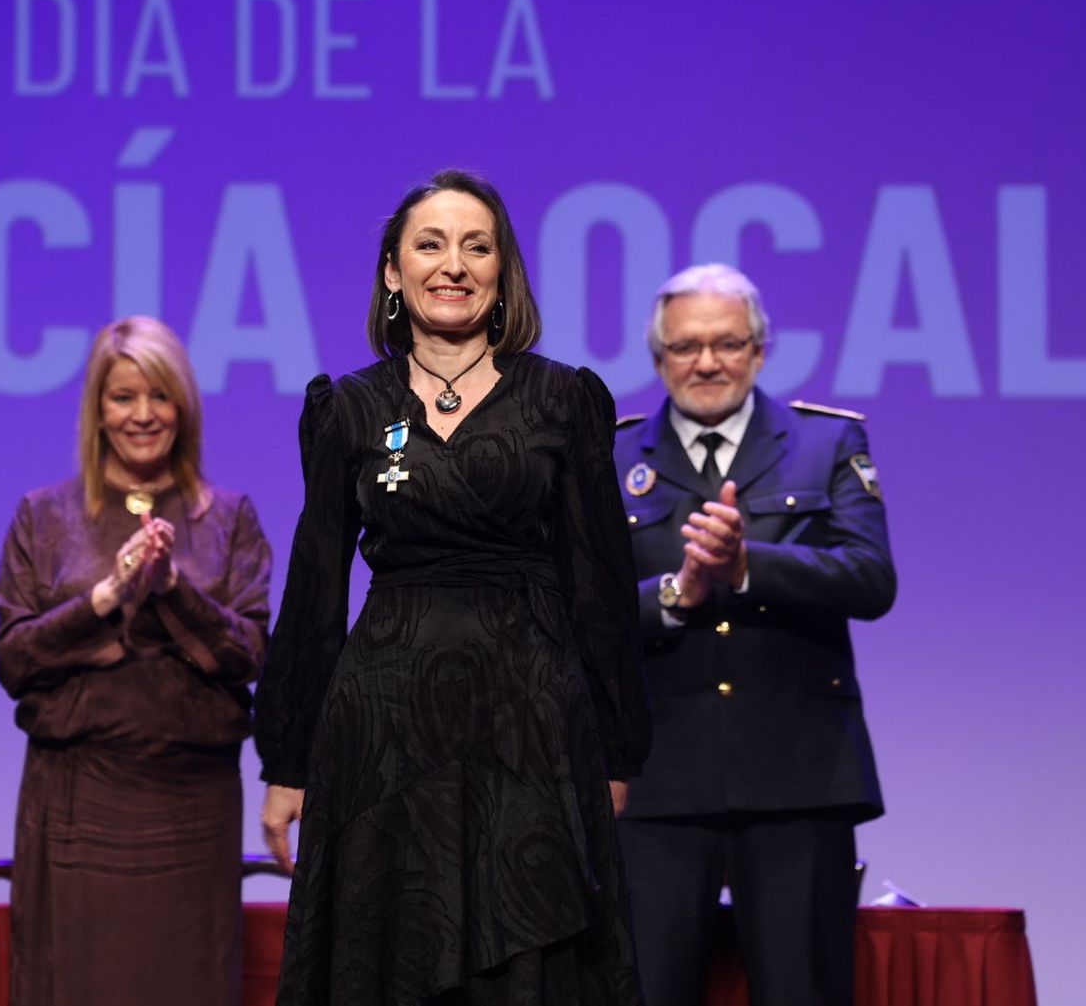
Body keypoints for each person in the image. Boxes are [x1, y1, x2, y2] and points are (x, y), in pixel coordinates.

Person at [255, 170, 651, 1005]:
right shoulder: (347, 407)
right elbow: (315, 581)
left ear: (504, 271)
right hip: (383, 729)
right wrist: (286, 760)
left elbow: (601, 584)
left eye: (478, 246)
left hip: (531, 725)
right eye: (430, 244)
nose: (454, 264)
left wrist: (618, 746)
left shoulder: (563, 398)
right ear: (392, 271)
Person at [613, 264, 896, 1006]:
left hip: (799, 778)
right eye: (686, 346)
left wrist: (748, 568)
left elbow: (872, 579)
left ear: (761, 351)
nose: (707, 362)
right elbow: (579, 614)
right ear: (659, 358)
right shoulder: (610, 457)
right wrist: (677, 591)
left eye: (728, 343)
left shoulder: (827, 442)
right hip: (657, 782)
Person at [0, 315, 272, 1006]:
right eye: (123, 397)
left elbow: (249, 654)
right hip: (78, 802)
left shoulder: (229, 517)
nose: (142, 414)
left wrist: (172, 586)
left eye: (159, 395)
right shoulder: (43, 515)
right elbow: (15, 660)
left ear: (185, 407)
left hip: (191, 804)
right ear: (97, 409)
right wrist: (107, 595)